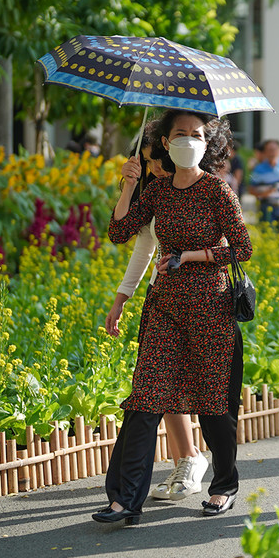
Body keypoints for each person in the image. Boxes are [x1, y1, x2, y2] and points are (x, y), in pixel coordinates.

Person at [99, 109, 253, 523]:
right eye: (180, 134)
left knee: (214, 405)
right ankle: (124, 498)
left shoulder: (219, 191)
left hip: (211, 308)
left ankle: (224, 486)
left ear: (208, 142)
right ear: (165, 143)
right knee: (146, 397)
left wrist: (191, 255)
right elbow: (119, 232)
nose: (188, 139)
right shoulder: (159, 191)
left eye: (197, 133)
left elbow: (242, 248)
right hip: (164, 307)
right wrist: (128, 186)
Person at [104, 138, 210, 501]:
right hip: (161, 299)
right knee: (160, 384)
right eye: (147, 162)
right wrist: (122, 298)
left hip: (198, 299)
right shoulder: (154, 191)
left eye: (155, 162)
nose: (153, 169)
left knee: (170, 385)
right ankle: (187, 460)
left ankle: (193, 459)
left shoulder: (202, 188)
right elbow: (137, 244)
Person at [247, 139, 279, 235]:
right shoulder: (259, 169)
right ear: (265, 152)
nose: (272, 152)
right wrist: (263, 194)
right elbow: (251, 189)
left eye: (274, 149)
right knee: (267, 235)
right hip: (266, 205)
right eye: (269, 150)